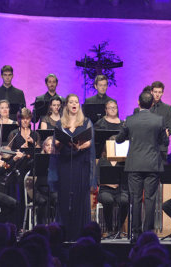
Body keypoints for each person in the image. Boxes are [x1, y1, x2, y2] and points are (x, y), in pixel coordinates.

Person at [116, 91, 168, 241]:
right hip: (152, 164)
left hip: (135, 164)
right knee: (150, 199)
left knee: (136, 199)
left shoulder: (130, 120)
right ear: (152, 104)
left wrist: (126, 129)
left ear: (138, 103)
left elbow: (119, 139)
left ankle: (135, 234)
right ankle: (148, 234)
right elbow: (165, 142)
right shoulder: (159, 120)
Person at [53, 94, 95, 241]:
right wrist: (63, 142)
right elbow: (55, 144)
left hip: (80, 164)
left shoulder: (86, 122)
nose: (74, 104)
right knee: (64, 197)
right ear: (67, 105)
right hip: (65, 164)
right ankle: (64, 232)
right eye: (71, 102)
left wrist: (78, 145)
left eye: (76, 102)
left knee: (79, 197)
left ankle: (79, 233)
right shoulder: (60, 123)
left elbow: (90, 142)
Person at [96, 146, 129, 237]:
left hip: (120, 190)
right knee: (108, 200)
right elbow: (97, 179)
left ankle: (118, 229)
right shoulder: (102, 161)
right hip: (105, 190)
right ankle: (109, 229)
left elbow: (127, 177)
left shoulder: (123, 161)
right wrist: (110, 184)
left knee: (125, 201)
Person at [149, 81, 171, 162]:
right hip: (148, 146)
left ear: (162, 93)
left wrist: (166, 133)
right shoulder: (146, 107)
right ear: (151, 92)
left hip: (162, 147)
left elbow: (170, 128)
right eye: (155, 92)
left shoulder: (167, 108)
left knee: (161, 171)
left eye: (159, 92)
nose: (157, 94)